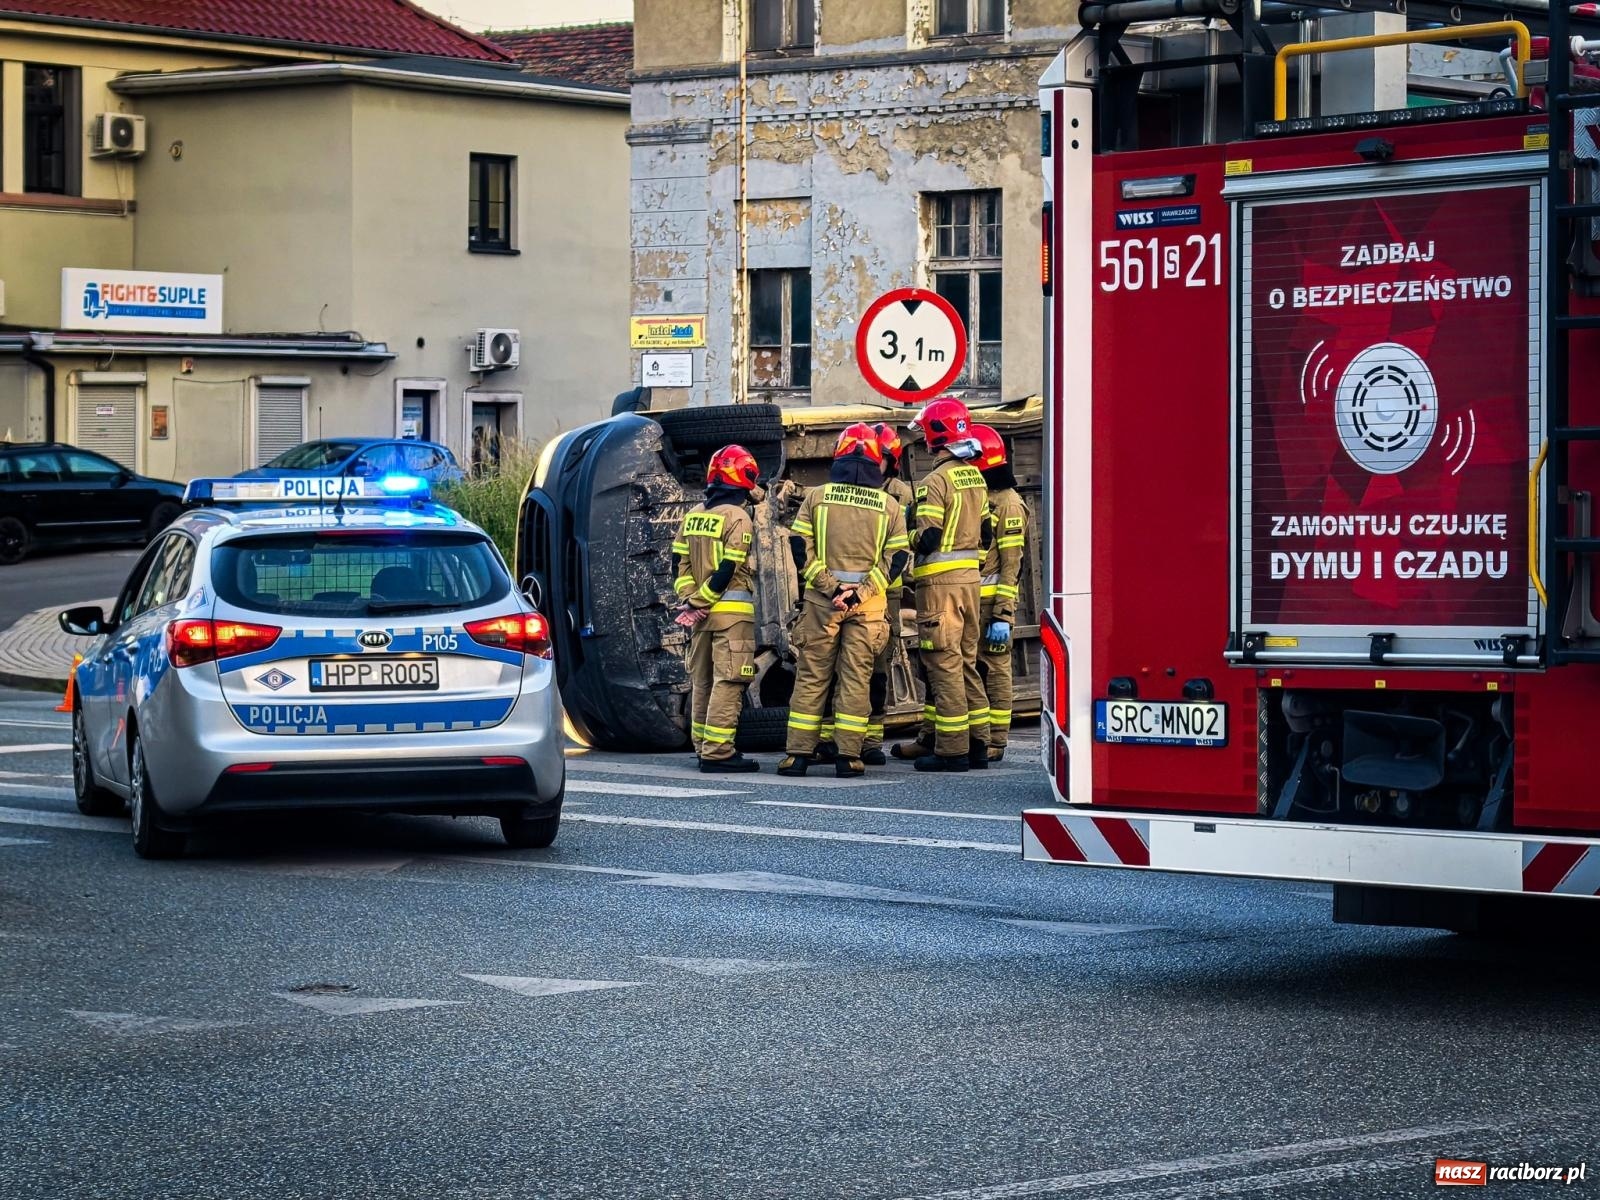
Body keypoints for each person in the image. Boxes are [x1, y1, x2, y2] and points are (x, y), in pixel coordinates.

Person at [778, 423, 909, 778]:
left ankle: (798, 755)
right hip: (867, 609)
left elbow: (799, 548)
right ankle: (849, 756)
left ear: (840, 453)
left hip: (823, 605)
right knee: (856, 678)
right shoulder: (889, 506)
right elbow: (897, 560)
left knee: (812, 677)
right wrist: (861, 591)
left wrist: (831, 587)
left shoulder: (817, 498)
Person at [892, 397, 991, 773]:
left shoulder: (935, 481)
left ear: (937, 435)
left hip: (940, 586)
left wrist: (906, 533)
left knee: (943, 664)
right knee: (966, 662)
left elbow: (929, 537)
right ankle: (979, 743)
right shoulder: (975, 476)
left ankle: (952, 750)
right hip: (969, 584)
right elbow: (984, 532)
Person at [671, 444, 762, 773]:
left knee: (703, 681)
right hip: (730, 618)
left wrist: (690, 600)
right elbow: (727, 569)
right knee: (731, 680)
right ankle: (719, 751)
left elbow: (678, 566)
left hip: (700, 620)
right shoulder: (738, 518)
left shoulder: (693, 515)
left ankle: (702, 746)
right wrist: (702, 600)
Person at [971, 424, 1028, 762]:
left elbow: (1012, 564)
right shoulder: (982, 496)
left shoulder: (1008, 504)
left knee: (994, 668)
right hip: (969, 599)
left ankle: (995, 740)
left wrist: (1003, 614)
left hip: (992, 604)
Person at [861, 422, 916, 765]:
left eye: (877, 458)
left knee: (878, 670)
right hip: (849, 594)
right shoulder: (846, 490)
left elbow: (901, 549)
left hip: (886, 594)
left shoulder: (901, 496)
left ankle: (870, 738)